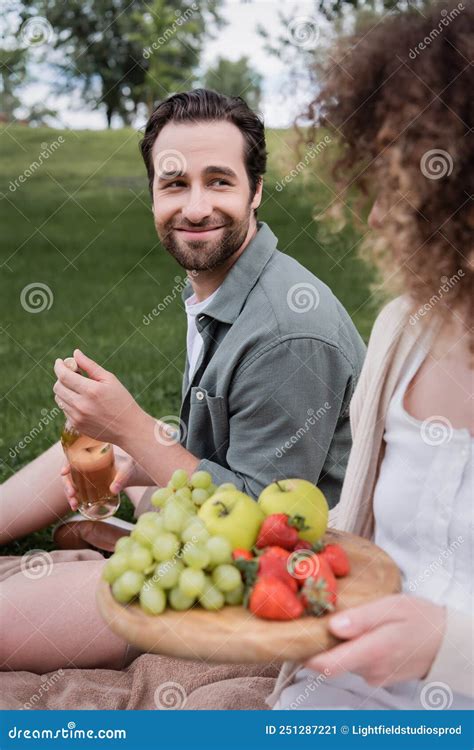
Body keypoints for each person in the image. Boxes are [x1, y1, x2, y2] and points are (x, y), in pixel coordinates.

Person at [0, 89, 365, 672]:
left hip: (282, 574)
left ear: (257, 190)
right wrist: (132, 452)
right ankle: (108, 532)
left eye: (219, 181)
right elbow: (220, 465)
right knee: (94, 449)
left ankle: (112, 552)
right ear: (151, 195)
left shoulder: (287, 333)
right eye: (174, 184)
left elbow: (263, 530)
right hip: (221, 513)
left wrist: (136, 431)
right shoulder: (227, 287)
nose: (195, 208)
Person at [269, 0, 473, 710]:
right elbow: (364, 540)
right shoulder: (404, 329)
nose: (378, 215)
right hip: (345, 699)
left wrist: (448, 644)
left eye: (402, 184)